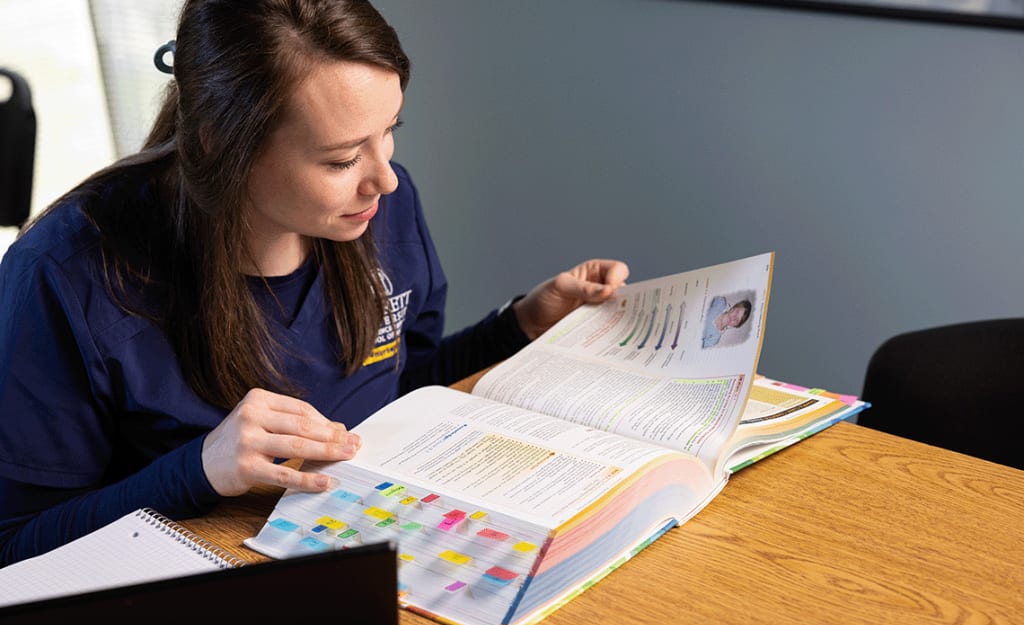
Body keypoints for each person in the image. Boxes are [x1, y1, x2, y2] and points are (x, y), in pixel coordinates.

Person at [0, 0, 628, 567]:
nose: (385, 179)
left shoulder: (381, 209)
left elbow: (398, 389)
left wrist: (516, 326)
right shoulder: (63, 279)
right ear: (224, 145)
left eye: (390, 133)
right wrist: (198, 470)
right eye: (341, 159)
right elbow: (16, 547)